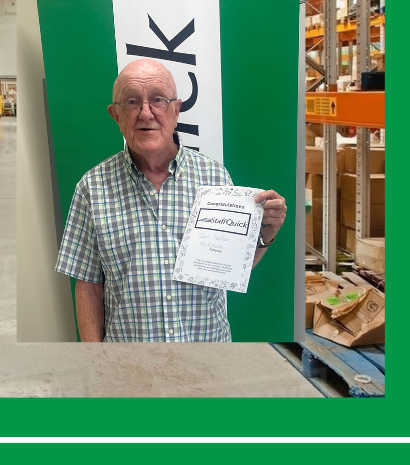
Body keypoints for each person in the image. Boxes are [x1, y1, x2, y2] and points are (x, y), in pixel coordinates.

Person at [55, 58, 287, 342]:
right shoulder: (92, 188)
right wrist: (96, 363)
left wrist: (264, 234)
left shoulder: (214, 177)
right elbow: (88, 286)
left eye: (158, 100)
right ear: (115, 116)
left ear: (176, 111)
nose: (145, 113)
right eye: (131, 102)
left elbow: (230, 267)